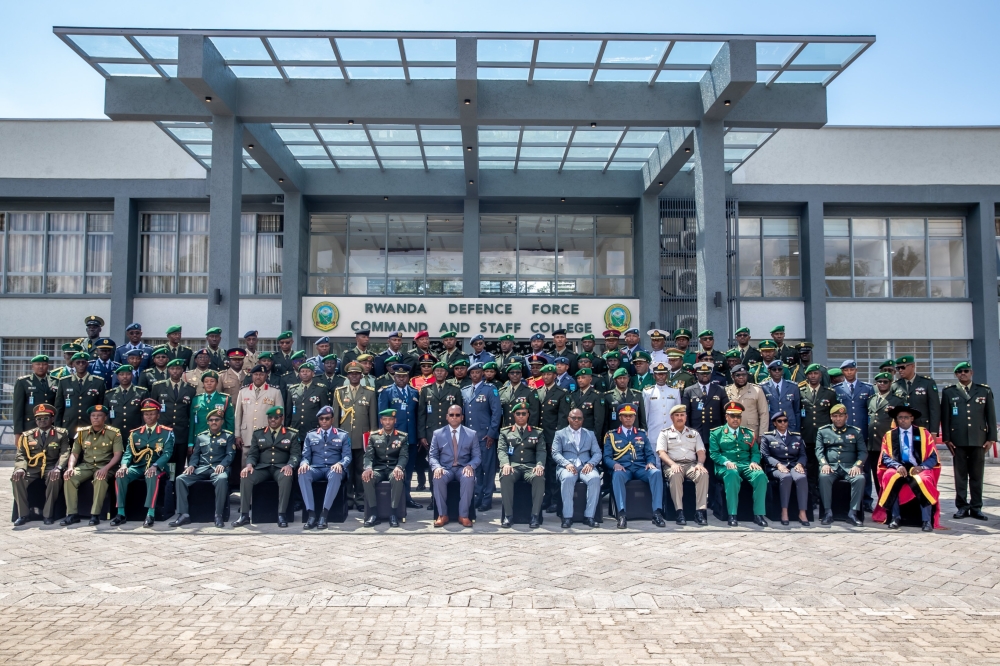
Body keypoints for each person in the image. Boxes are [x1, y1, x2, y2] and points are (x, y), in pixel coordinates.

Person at [941, 361, 996, 520]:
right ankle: (962, 507)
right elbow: (946, 417)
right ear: (956, 375)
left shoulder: (984, 391)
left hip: (979, 439)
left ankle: (976, 507)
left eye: (965, 371)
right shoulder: (949, 392)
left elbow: (990, 416)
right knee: (960, 476)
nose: (963, 374)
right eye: (959, 372)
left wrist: (991, 437)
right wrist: (947, 438)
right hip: (957, 440)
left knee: (977, 475)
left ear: (971, 372)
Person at [872, 405, 940, 531]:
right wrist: (897, 466)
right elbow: (885, 457)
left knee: (924, 480)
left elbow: (933, 457)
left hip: (918, 467)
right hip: (899, 467)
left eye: (906, 417)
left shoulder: (923, 433)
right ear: (896, 419)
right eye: (900, 418)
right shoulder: (889, 435)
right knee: (889, 476)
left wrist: (921, 467)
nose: (903, 420)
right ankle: (895, 517)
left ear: (912, 418)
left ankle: (926, 521)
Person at [111, 398, 174, 527]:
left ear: (158, 415)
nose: (149, 417)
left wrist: (155, 466)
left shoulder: (166, 432)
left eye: (152, 414)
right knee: (120, 475)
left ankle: (150, 514)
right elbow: (128, 453)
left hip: (157, 466)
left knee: (151, 475)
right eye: (146, 414)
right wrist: (123, 466)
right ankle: (121, 513)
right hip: (138, 466)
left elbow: (167, 453)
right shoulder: (135, 434)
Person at [234, 406, 300, 528]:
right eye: (270, 418)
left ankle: (281, 514)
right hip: (262, 468)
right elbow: (253, 453)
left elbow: (295, 454)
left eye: (276, 417)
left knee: (286, 477)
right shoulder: (258, 433)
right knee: (246, 476)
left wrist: (290, 465)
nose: (273, 420)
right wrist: (249, 465)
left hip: (281, 468)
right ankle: (244, 515)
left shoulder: (291, 434)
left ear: (282, 418)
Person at [170, 409, 236, 528]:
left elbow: (230, 454)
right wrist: (191, 465)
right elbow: (195, 455)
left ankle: (218, 514)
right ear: (208, 423)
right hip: (202, 468)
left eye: (217, 420)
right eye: (211, 420)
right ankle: (183, 514)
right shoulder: (201, 437)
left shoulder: (228, 436)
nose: (214, 422)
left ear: (222, 421)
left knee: (221, 479)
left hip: (219, 468)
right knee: (180, 479)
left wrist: (223, 464)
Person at [61, 405, 123, 526]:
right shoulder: (82, 433)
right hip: (87, 465)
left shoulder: (113, 433)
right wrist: (70, 468)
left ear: (105, 418)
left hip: (106, 466)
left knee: (99, 478)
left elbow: (117, 455)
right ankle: (72, 514)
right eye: (93, 416)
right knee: (69, 477)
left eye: (99, 416)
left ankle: (95, 515)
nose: (96, 418)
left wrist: (105, 468)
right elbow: (74, 453)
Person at [604, 404, 665, 529]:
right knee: (617, 475)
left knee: (656, 473)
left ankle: (657, 513)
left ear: (634, 417)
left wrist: (650, 463)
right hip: (623, 468)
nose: (628, 419)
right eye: (625, 416)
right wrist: (615, 464)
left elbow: (649, 454)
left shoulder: (642, 434)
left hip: (640, 468)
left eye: (631, 416)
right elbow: (606, 457)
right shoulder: (612, 435)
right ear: (620, 418)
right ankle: (621, 514)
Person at [709, 401, 768, 527]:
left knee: (760, 476)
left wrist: (754, 462)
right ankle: (732, 514)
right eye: (732, 416)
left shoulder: (749, 433)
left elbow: (756, 452)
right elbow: (714, 453)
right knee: (732, 474)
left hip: (746, 464)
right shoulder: (716, 433)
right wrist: (726, 461)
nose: (735, 419)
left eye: (738, 416)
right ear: (726, 417)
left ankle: (759, 514)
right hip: (726, 466)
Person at [11, 404, 70, 526]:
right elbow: (21, 454)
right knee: (16, 478)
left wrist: (58, 468)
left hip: (51, 467)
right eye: (38, 419)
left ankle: (48, 515)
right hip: (33, 468)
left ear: (52, 419)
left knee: (55, 478)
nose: (41, 421)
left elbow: (65, 452)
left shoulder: (61, 433)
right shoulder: (27, 436)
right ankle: (23, 515)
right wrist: (20, 468)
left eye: (45, 418)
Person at [332, 361, 379, 511]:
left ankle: (360, 499)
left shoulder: (369, 392)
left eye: (357, 373)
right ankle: (348, 498)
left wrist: (373, 437)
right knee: (347, 470)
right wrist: (335, 436)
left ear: (361, 375)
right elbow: (335, 418)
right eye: (351, 373)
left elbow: (372, 418)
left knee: (360, 470)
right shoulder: (339, 392)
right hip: (344, 438)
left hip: (362, 438)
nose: (354, 376)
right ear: (347, 375)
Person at [298, 405, 352, 530]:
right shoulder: (310, 435)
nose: (324, 421)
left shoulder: (342, 435)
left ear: (332, 419)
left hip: (333, 468)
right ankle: (311, 514)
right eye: (321, 419)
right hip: (316, 468)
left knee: (336, 473)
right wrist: (304, 463)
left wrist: (340, 464)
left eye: (327, 418)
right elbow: (305, 456)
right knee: (303, 473)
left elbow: (347, 457)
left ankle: (324, 514)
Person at [656, 404, 708, 526]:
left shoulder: (694, 433)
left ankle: (700, 511)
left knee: (703, 474)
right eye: (677, 415)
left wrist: (700, 463)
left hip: (691, 464)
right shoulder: (665, 433)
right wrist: (672, 464)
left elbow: (701, 451)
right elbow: (661, 453)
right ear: (671, 418)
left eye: (682, 415)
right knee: (676, 473)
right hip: (672, 464)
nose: (679, 418)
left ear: (686, 417)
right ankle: (679, 512)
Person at [378, 363, 422, 509]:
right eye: (398, 376)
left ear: (408, 377)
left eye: (404, 376)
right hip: (393, 438)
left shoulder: (414, 392)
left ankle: (407, 497)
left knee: (408, 470)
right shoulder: (386, 392)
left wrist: (419, 436)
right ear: (394, 376)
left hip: (410, 438)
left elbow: (417, 416)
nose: (401, 379)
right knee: (394, 469)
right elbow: (383, 417)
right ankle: (395, 499)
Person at [498, 399, 546, 528]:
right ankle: (508, 516)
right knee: (505, 477)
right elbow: (501, 450)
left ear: (528, 415)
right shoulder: (505, 432)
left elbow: (541, 451)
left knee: (539, 478)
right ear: (513, 415)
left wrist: (540, 465)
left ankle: (535, 516)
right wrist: (505, 464)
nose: (521, 416)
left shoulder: (537, 432)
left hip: (530, 467)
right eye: (518, 413)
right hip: (513, 466)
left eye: (524, 413)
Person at [429, 404, 480, 527]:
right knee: (437, 477)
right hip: (445, 469)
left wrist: (470, 466)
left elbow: (477, 456)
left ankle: (463, 515)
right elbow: (432, 456)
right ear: (447, 417)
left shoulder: (471, 434)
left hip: (463, 468)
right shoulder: (438, 434)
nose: (454, 417)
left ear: (462, 417)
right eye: (451, 415)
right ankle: (442, 515)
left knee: (469, 478)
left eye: (457, 415)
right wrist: (437, 467)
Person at [815, 403, 866, 526]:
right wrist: (824, 464)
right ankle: (828, 513)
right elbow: (819, 451)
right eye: (835, 416)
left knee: (860, 479)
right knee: (824, 477)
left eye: (841, 416)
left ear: (846, 417)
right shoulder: (823, 431)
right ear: (831, 417)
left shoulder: (855, 432)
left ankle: (852, 514)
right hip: (831, 467)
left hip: (850, 467)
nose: (838, 419)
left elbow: (863, 452)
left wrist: (857, 465)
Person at [551, 408, 602, 529]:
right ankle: (567, 517)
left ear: (583, 420)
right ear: (568, 418)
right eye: (573, 418)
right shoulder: (560, 434)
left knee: (595, 479)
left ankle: (589, 516)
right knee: (568, 479)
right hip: (567, 467)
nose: (576, 420)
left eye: (579, 418)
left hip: (585, 466)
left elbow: (597, 453)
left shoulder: (590, 434)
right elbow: (555, 453)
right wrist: (566, 464)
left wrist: (591, 464)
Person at [798, 362, 838, 511]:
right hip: (807, 436)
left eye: (816, 373)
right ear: (807, 376)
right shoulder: (800, 391)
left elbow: (833, 416)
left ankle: (823, 498)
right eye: (810, 374)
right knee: (809, 469)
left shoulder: (829, 393)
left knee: (824, 469)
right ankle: (811, 497)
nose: (813, 376)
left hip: (824, 438)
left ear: (820, 375)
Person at [759, 410, 810, 526]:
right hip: (775, 467)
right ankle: (784, 511)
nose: (783, 423)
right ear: (774, 423)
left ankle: (802, 513)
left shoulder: (796, 437)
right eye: (780, 421)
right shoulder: (768, 437)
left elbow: (802, 454)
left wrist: (800, 464)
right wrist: (778, 464)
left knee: (801, 478)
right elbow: (765, 456)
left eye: (785, 421)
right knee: (786, 477)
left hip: (793, 465)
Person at [418, 362, 462, 494]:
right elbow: (421, 414)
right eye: (437, 371)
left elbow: (459, 413)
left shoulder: (454, 390)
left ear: (446, 374)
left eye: (442, 371)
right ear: (433, 372)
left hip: (450, 433)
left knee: (451, 464)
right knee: (434, 465)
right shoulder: (426, 390)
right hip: (431, 434)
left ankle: (449, 495)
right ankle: (434, 497)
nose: (439, 373)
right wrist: (422, 435)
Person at [463, 362, 502, 512]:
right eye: (472, 373)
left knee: (488, 469)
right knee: (475, 469)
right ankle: (477, 496)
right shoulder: (465, 390)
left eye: (478, 372)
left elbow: (496, 413)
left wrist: (492, 434)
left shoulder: (490, 390)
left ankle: (487, 499)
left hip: (485, 437)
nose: (475, 375)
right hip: (470, 437)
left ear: (483, 374)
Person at [362, 408, 409, 528]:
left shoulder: (402, 437)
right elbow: (368, 456)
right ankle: (373, 513)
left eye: (390, 420)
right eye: (385, 420)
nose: (388, 422)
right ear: (381, 421)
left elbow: (404, 456)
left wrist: (399, 467)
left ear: (395, 421)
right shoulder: (374, 436)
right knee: (367, 478)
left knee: (398, 477)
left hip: (394, 468)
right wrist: (368, 468)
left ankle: (393, 513)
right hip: (379, 469)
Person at [147, 359, 195, 471]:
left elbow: (190, 414)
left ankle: (176, 488)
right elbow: (152, 410)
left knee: (179, 465)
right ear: (168, 370)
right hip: (161, 433)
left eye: (178, 369)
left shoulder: (190, 389)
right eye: (172, 368)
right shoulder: (158, 386)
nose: (175, 371)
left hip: (181, 433)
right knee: (161, 463)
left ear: (182, 371)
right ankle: (164, 488)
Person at [536, 362, 572, 512]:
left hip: (553, 437)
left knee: (553, 469)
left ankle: (555, 500)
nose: (546, 377)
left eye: (549, 374)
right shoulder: (537, 392)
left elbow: (562, 418)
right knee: (541, 470)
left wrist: (557, 440)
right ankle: (546, 498)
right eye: (544, 374)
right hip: (539, 437)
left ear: (555, 376)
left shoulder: (561, 393)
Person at [865, 371, 903, 511]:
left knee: (888, 476)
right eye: (879, 382)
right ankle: (881, 503)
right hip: (873, 444)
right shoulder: (871, 399)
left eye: (885, 382)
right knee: (876, 475)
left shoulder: (897, 400)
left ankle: (891, 504)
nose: (882, 384)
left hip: (888, 445)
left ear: (890, 383)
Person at [235, 364, 284, 467]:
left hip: (267, 434)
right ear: (252, 376)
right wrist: (237, 435)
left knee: (265, 464)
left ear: (266, 375)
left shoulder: (275, 391)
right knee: (245, 464)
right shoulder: (243, 391)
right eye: (256, 374)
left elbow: (280, 416)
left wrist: (278, 434)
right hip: (247, 434)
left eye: (261, 374)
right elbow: (238, 415)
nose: (258, 377)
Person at [55, 352, 107, 433]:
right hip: (69, 425)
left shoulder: (98, 382)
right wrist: (57, 428)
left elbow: (101, 406)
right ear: (73, 365)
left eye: (83, 362)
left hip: (89, 425)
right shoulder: (64, 382)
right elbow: (59, 407)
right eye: (78, 362)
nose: (81, 365)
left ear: (87, 364)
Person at [643, 362, 682, 468]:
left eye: (663, 374)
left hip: (671, 432)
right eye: (658, 374)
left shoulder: (674, 391)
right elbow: (645, 413)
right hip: (653, 432)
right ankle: (659, 484)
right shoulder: (648, 392)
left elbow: (678, 414)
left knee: (671, 461)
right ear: (654, 375)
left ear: (667, 375)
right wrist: (645, 431)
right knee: (655, 463)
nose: (661, 376)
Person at [891, 355, 940, 433]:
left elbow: (934, 409)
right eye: (898, 368)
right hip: (902, 429)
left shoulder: (927, 383)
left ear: (913, 366)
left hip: (922, 428)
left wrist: (934, 432)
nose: (900, 370)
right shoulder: (895, 385)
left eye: (903, 367)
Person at [188, 371, 235, 455]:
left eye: (212, 381)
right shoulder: (196, 399)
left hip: (220, 438)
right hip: (200, 439)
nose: (209, 384)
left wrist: (230, 439)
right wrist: (191, 442)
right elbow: (192, 423)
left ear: (217, 383)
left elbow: (230, 421)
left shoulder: (225, 399)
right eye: (206, 381)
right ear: (203, 384)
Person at [12, 354, 57, 436]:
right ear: (32, 366)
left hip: (51, 426)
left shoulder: (56, 381)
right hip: (30, 426)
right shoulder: (23, 382)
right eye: (38, 364)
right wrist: (17, 433)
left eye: (44, 364)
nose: (41, 367)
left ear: (48, 366)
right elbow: (17, 409)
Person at [724, 365, 769, 439]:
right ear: (732, 376)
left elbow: (764, 413)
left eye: (744, 374)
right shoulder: (727, 390)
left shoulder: (757, 390)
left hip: (751, 432)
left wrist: (762, 435)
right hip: (731, 433)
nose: (741, 377)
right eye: (738, 375)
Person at [285, 362, 330, 433]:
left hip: (314, 428)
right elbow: (288, 413)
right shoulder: (292, 389)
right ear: (299, 374)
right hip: (296, 428)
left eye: (308, 371)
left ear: (313, 373)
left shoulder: (321, 389)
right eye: (302, 371)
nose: (305, 373)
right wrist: (286, 428)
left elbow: (324, 411)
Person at [104, 365, 148, 437]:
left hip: (136, 431)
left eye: (128, 374)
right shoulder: (109, 394)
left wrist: (142, 430)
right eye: (121, 374)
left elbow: (145, 413)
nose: (125, 376)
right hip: (115, 432)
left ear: (132, 376)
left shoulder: (142, 392)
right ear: (117, 377)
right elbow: (106, 416)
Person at [604, 368, 646, 434]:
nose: (622, 380)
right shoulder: (608, 396)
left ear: (628, 379)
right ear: (615, 380)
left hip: (634, 433)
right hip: (616, 433)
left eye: (624, 378)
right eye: (620, 378)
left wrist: (643, 432)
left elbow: (642, 417)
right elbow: (605, 420)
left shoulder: (637, 395)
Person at [498, 362, 540, 428]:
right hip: (506, 431)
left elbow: (534, 415)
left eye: (518, 373)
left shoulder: (530, 391)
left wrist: (531, 432)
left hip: (523, 431)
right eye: (512, 373)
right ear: (508, 375)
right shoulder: (501, 392)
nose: (515, 375)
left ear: (521, 375)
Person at [568, 368, 606, 441]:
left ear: (590, 379)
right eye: (578, 378)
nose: (580, 380)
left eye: (583, 377)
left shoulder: (597, 395)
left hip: (589, 434)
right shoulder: (573, 394)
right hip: (573, 433)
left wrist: (595, 438)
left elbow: (598, 420)